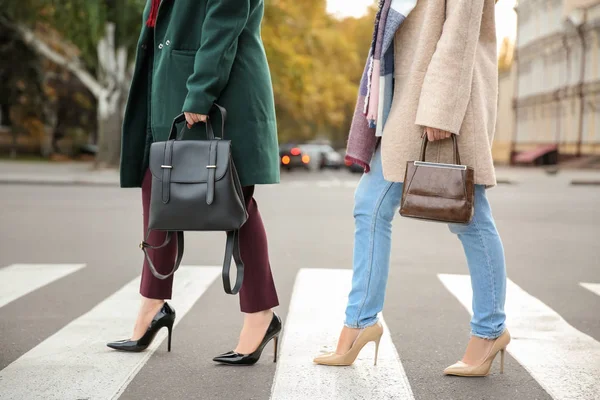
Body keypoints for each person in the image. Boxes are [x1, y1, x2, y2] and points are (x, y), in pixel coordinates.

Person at [314, 0, 510, 377]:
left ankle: (490, 331)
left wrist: (440, 108)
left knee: (469, 217)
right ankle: (359, 323)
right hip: (405, 101)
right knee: (369, 206)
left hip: (444, 105)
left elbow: (460, 32)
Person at [108, 0, 282, 366]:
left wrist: (202, 90)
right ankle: (153, 305)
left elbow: (224, 21)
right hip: (174, 86)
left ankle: (260, 313)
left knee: (236, 202)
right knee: (157, 188)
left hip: (217, 88)